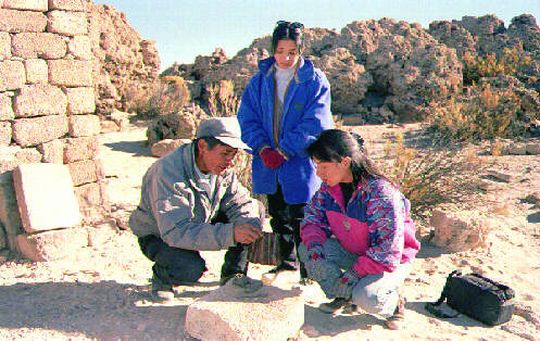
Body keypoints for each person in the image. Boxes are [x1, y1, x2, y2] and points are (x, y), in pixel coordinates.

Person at [237, 20, 334, 283]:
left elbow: (316, 121)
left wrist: (286, 149)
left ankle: (309, 273)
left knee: (304, 218)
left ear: (300, 51)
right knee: (279, 216)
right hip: (268, 162)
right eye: (280, 51)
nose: (285, 57)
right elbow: (247, 118)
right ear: (272, 50)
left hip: (299, 162)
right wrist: (264, 147)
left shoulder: (314, 80)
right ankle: (286, 263)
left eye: (291, 52)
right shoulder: (259, 81)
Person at [129, 117, 264, 301]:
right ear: (202, 146)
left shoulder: (221, 168)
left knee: (255, 211)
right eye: (225, 153)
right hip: (160, 234)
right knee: (190, 268)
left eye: (233, 154)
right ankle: (162, 277)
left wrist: (248, 225)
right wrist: (231, 233)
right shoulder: (168, 172)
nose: (230, 161)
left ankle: (234, 275)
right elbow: (175, 231)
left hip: (197, 220)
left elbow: (241, 202)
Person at [298, 129, 421, 330]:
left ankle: (395, 303)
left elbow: (387, 251)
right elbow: (313, 218)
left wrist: (353, 274)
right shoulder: (329, 188)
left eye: (324, 166)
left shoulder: (380, 194)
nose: (318, 173)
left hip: (391, 260)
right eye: (317, 166)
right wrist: (314, 248)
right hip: (355, 252)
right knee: (307, 250)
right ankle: (345, 296)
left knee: (368, 297)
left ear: (344, 162)